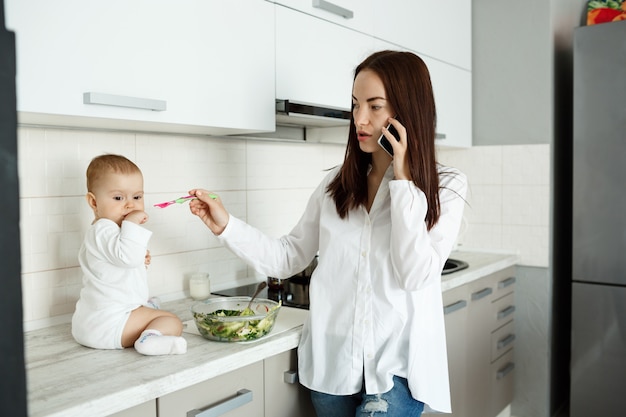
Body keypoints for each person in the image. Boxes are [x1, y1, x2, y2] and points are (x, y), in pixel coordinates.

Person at [188, 50, 467, 416]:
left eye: (375, 106)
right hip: (333, 369)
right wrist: (226, 225)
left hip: (395, 372)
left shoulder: (445, 187)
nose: (360, 119)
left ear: (408, 111)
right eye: (355, 105)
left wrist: (402, 180)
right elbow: (289, 257)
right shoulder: (335, 185)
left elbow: (415, 275)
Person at [72, 154, 187, 356]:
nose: (130, 205)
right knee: (171, 321)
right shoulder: (104, 229)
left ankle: (144, 306)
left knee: (150, 305)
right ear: (93, 202)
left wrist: (140, 257)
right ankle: (149, 340)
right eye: (118, 198)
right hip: (110, 326)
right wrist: (132, 224)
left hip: (92, 324)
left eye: (137, 197)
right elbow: (128, 257)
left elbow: (119, 261)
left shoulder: (106, 232)